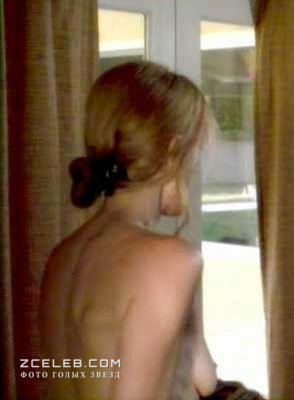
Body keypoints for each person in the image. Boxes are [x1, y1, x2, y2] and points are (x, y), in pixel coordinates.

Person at [40, 61, 219, 400]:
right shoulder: (167, 259)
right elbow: (204, 382)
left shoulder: (61, 258)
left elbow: (202, 376)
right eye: (194, 153)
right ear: (172, 151)